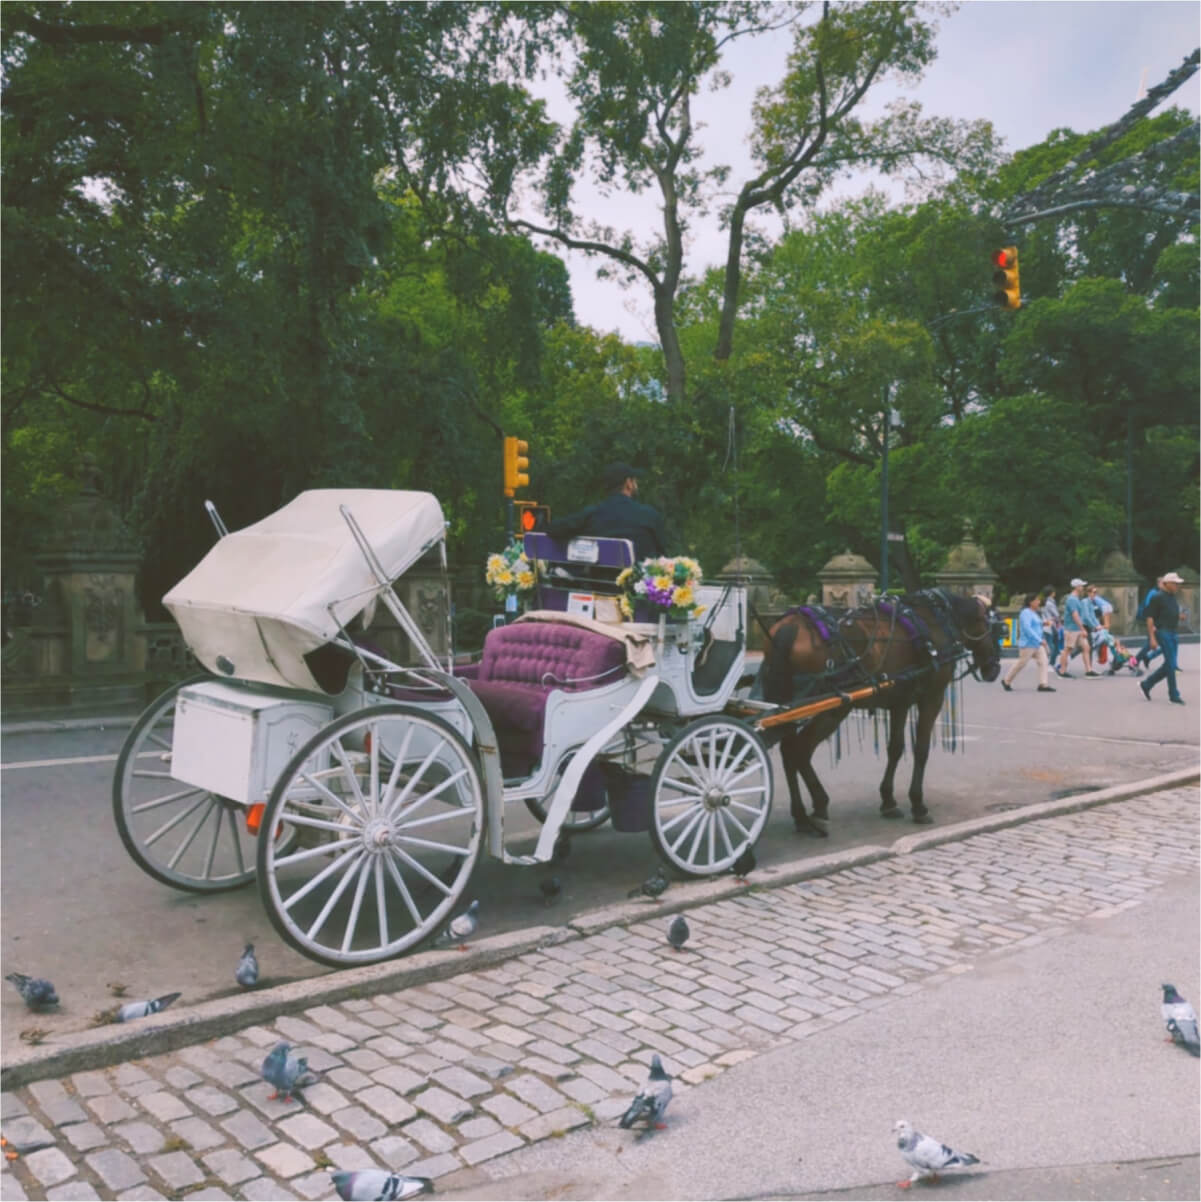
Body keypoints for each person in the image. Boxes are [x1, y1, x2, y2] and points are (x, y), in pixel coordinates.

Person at [546, 461, 667, 562]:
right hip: (636, 587)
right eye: (634, 480)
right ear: (628, 483)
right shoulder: (649, 515)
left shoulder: (592, 514)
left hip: (600, 584)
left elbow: (554, 529)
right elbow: (663, 554)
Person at [1140, 571, 1185, 705]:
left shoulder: (1171, 597)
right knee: (1171, 665)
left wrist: (1179, 616)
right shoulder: (1157, 597)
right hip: (1163, 632)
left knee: (1169, 665)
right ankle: (1173, 694)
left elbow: (1169, 613)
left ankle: (1147, 684)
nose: (1177, 586)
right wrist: (1152, 637)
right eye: (1175, 583)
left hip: (1172, 632)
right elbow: (1149, 617)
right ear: (1167, 583)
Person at [1001, 593, 1055, 693]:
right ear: (1031, 602)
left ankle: (1043, 684)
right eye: (1037, 600)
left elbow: (1036, 625)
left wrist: (1044, 623)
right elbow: (1027, 628)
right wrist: (1039, 640)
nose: (1039, 602)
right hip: (1028, 644)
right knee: (1021, 663)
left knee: (1043, 662)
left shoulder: (1034, 613)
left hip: (1037, 644)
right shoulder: (1025, 613)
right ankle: (1006, 680)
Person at [1057, 578, 1099, 678]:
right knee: (1068, 649)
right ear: (1077, 587)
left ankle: (1089, 670)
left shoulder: (1076, 599)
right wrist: (1082, 628)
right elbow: (1075, 615)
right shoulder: (1072, 599)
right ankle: (1062, 671)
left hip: (1076, 629)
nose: (1083, 588)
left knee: (1086, 647)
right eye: (1081, 586)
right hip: (1071, 628)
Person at [1135, 577, 1164, 669]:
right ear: (1158, 583)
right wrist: (1153, 624)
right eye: (1162, 583)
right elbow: (1149, 608)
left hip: (1158, 623)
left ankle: (1146, 658)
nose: (1164, 585)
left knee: (1163, 645)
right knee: (1151, 645)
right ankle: (1136, 660)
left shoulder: (1161, 594)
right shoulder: (1153, 593)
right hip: (1153, 622)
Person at [1040, 585, 1062, 662]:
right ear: (1052, 593)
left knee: (1051, 644)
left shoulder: (1044, 602)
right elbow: (1056, 615)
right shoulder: (1050, 603)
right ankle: (1050, 662)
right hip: (1051, 626)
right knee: (1053, 646)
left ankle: (1050, 662)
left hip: (1046, 626)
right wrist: (1059, 623)